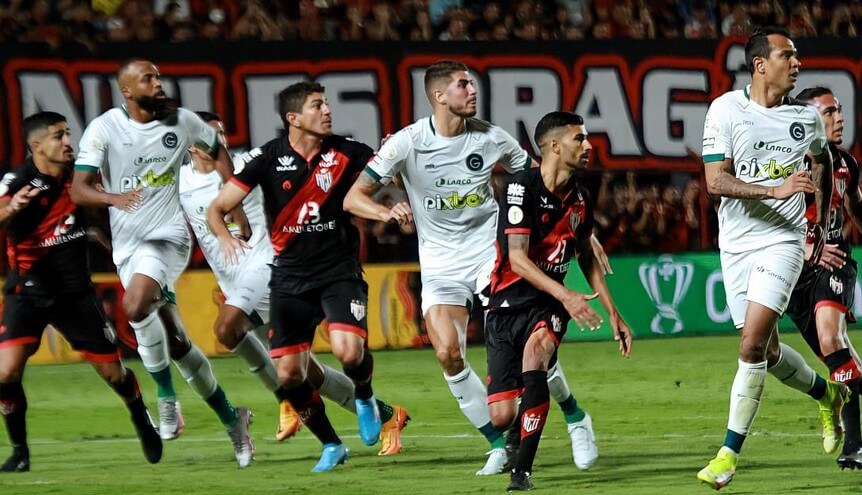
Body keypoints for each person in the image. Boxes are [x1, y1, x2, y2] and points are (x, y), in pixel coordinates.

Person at [344, 60, 600, 475]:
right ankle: (498, 443)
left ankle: (574, 417)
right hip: (440, 264)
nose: (472, 90)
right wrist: (386, 210)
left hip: (492, 256)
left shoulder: (491, 138)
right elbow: (353, 197)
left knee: (532, 344)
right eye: (463, 84)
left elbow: (545, 182)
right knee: (447, 352)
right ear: (439, 95)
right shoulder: (406, 143)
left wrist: (584, 231)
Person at [182, 111, 409, 454]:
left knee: (226, 329)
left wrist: (384, 170)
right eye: (211, 137)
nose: (221, 142)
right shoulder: (181, 182)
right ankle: (389, 414)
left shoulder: (249, 164)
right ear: (191, 147)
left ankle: (284, 400)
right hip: (233, 281)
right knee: (304, 372)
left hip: (267, 268)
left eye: (223, 134)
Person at [70, 59, 253, 468]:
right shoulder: (104, 129)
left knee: (134, 306)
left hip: (168, 236)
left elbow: (218, 150)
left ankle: (166, 396)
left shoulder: (182, 120)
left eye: (157, 76)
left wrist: (233, 205)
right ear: (128, 92)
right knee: (177, 343)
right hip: (128, 246)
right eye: (148, 79)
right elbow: (79, 189)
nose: (158, 83)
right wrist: (113, 198)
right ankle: (233, 419)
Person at [696, 28, 848, 490]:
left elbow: (822, 162)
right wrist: (774, 188)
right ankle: (828, 394)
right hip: (736, 244)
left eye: (798, 55)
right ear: (760, 64)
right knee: (767, 349)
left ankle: (727, 455)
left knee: (749, 347)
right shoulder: (726, 110)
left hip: (783, 241)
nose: (797, 62)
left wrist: (817, 223)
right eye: (788, 55)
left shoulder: (804, 118)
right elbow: (714, 182)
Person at [0, 112, 162, 472]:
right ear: (37, 145)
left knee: (115, 376)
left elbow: (97, 218)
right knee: (5, 373)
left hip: (75, 294)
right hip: (27, 290)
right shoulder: (18, 180)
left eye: (69, 134)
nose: (69, 142)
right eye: (60, 136)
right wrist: (10, 208)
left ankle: (139, 414)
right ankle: (20, 451)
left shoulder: (81, 179)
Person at [485, 111, 632, 491]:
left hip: (547, 304)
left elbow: (585, 254)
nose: (588, 146)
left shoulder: (581, 198)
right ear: (554, 146)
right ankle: (537, 423)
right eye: (579, 139)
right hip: (506, 303)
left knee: (537, 355)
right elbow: (516, 258)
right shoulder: (520, 188)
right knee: (501, 416)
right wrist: (568, 295)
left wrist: (613, 312)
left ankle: (521, 473)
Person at [786, 86, 862, 470]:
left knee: (833, 338)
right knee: (837, 359)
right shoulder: (789, 164)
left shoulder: (846, 163)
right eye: (829, 112)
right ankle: (856, 445)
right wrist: (802, 249)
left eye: (839, 110)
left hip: (834, 263)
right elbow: (766, 220)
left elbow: (856, 209)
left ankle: (854, 444)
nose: (839, 118)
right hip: (793, 276)